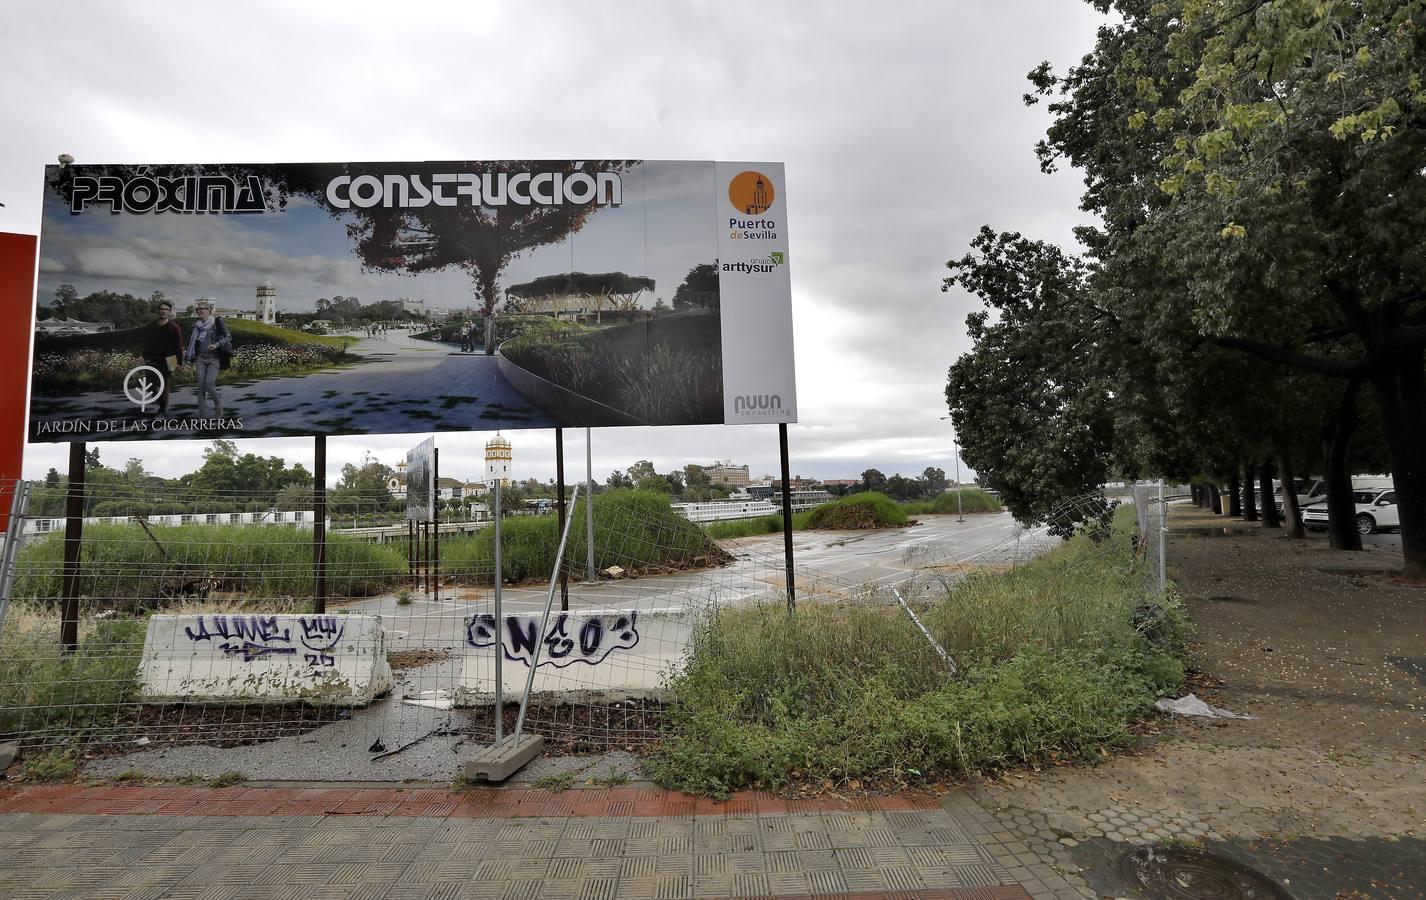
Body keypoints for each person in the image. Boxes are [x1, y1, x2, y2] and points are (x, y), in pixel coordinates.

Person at [184, 300, 230, 417]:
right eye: (197, 309)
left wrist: (216, 344)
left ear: (209, 310)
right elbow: (192, 343)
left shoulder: (216, 323)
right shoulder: (197, 326)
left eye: (202, 308)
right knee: (200, 386)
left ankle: (218, 406)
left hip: (214, 359)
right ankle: (202, 415)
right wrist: (188, 357)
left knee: (209, 383)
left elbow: (228, 337)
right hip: (200, 359)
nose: (199, 310)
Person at [140, 300, 183, 414]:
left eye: (166, 309)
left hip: (170, 359)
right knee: (148, 384)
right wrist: (145, 356)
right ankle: (160, 402)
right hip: (153, 358)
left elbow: (178, 346)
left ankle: (162, 410)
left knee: (164, 384)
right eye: (162, 309)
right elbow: (146, 343)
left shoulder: (174, 327)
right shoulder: (151, 326)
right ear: (159, 311)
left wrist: (179, 362)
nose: (164, 311)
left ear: (170, 312)